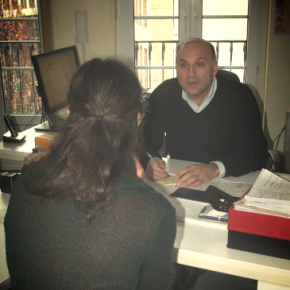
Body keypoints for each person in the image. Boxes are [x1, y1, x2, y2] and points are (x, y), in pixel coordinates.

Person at [4, 58, 176, 290]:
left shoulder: (25, 184)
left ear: (68, 112)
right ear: (136, 118)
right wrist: (140, 192)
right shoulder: (155, 212)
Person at [142, 38, 268, 188]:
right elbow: (145, 142)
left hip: (229, 180)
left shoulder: (240, 96)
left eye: (200, 64)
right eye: (184, 65)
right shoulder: (163, 95)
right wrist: (149, 162)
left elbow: (257, 152)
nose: (190, 73)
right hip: (182, 182)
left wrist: (214, 168)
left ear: (214, 69)